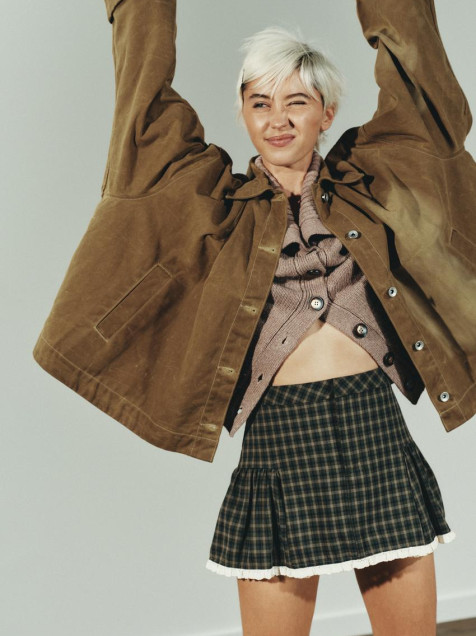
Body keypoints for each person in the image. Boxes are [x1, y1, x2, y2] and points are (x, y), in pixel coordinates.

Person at [32, 1, 476, 635]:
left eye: (297, 102)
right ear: (241, 112)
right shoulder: (209, 201)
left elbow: (420, 81)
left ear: (327, 113)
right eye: (259, 103)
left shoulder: (378, 179)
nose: (276, 119)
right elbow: (143, 106)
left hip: (374, 431)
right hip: (277, 442)